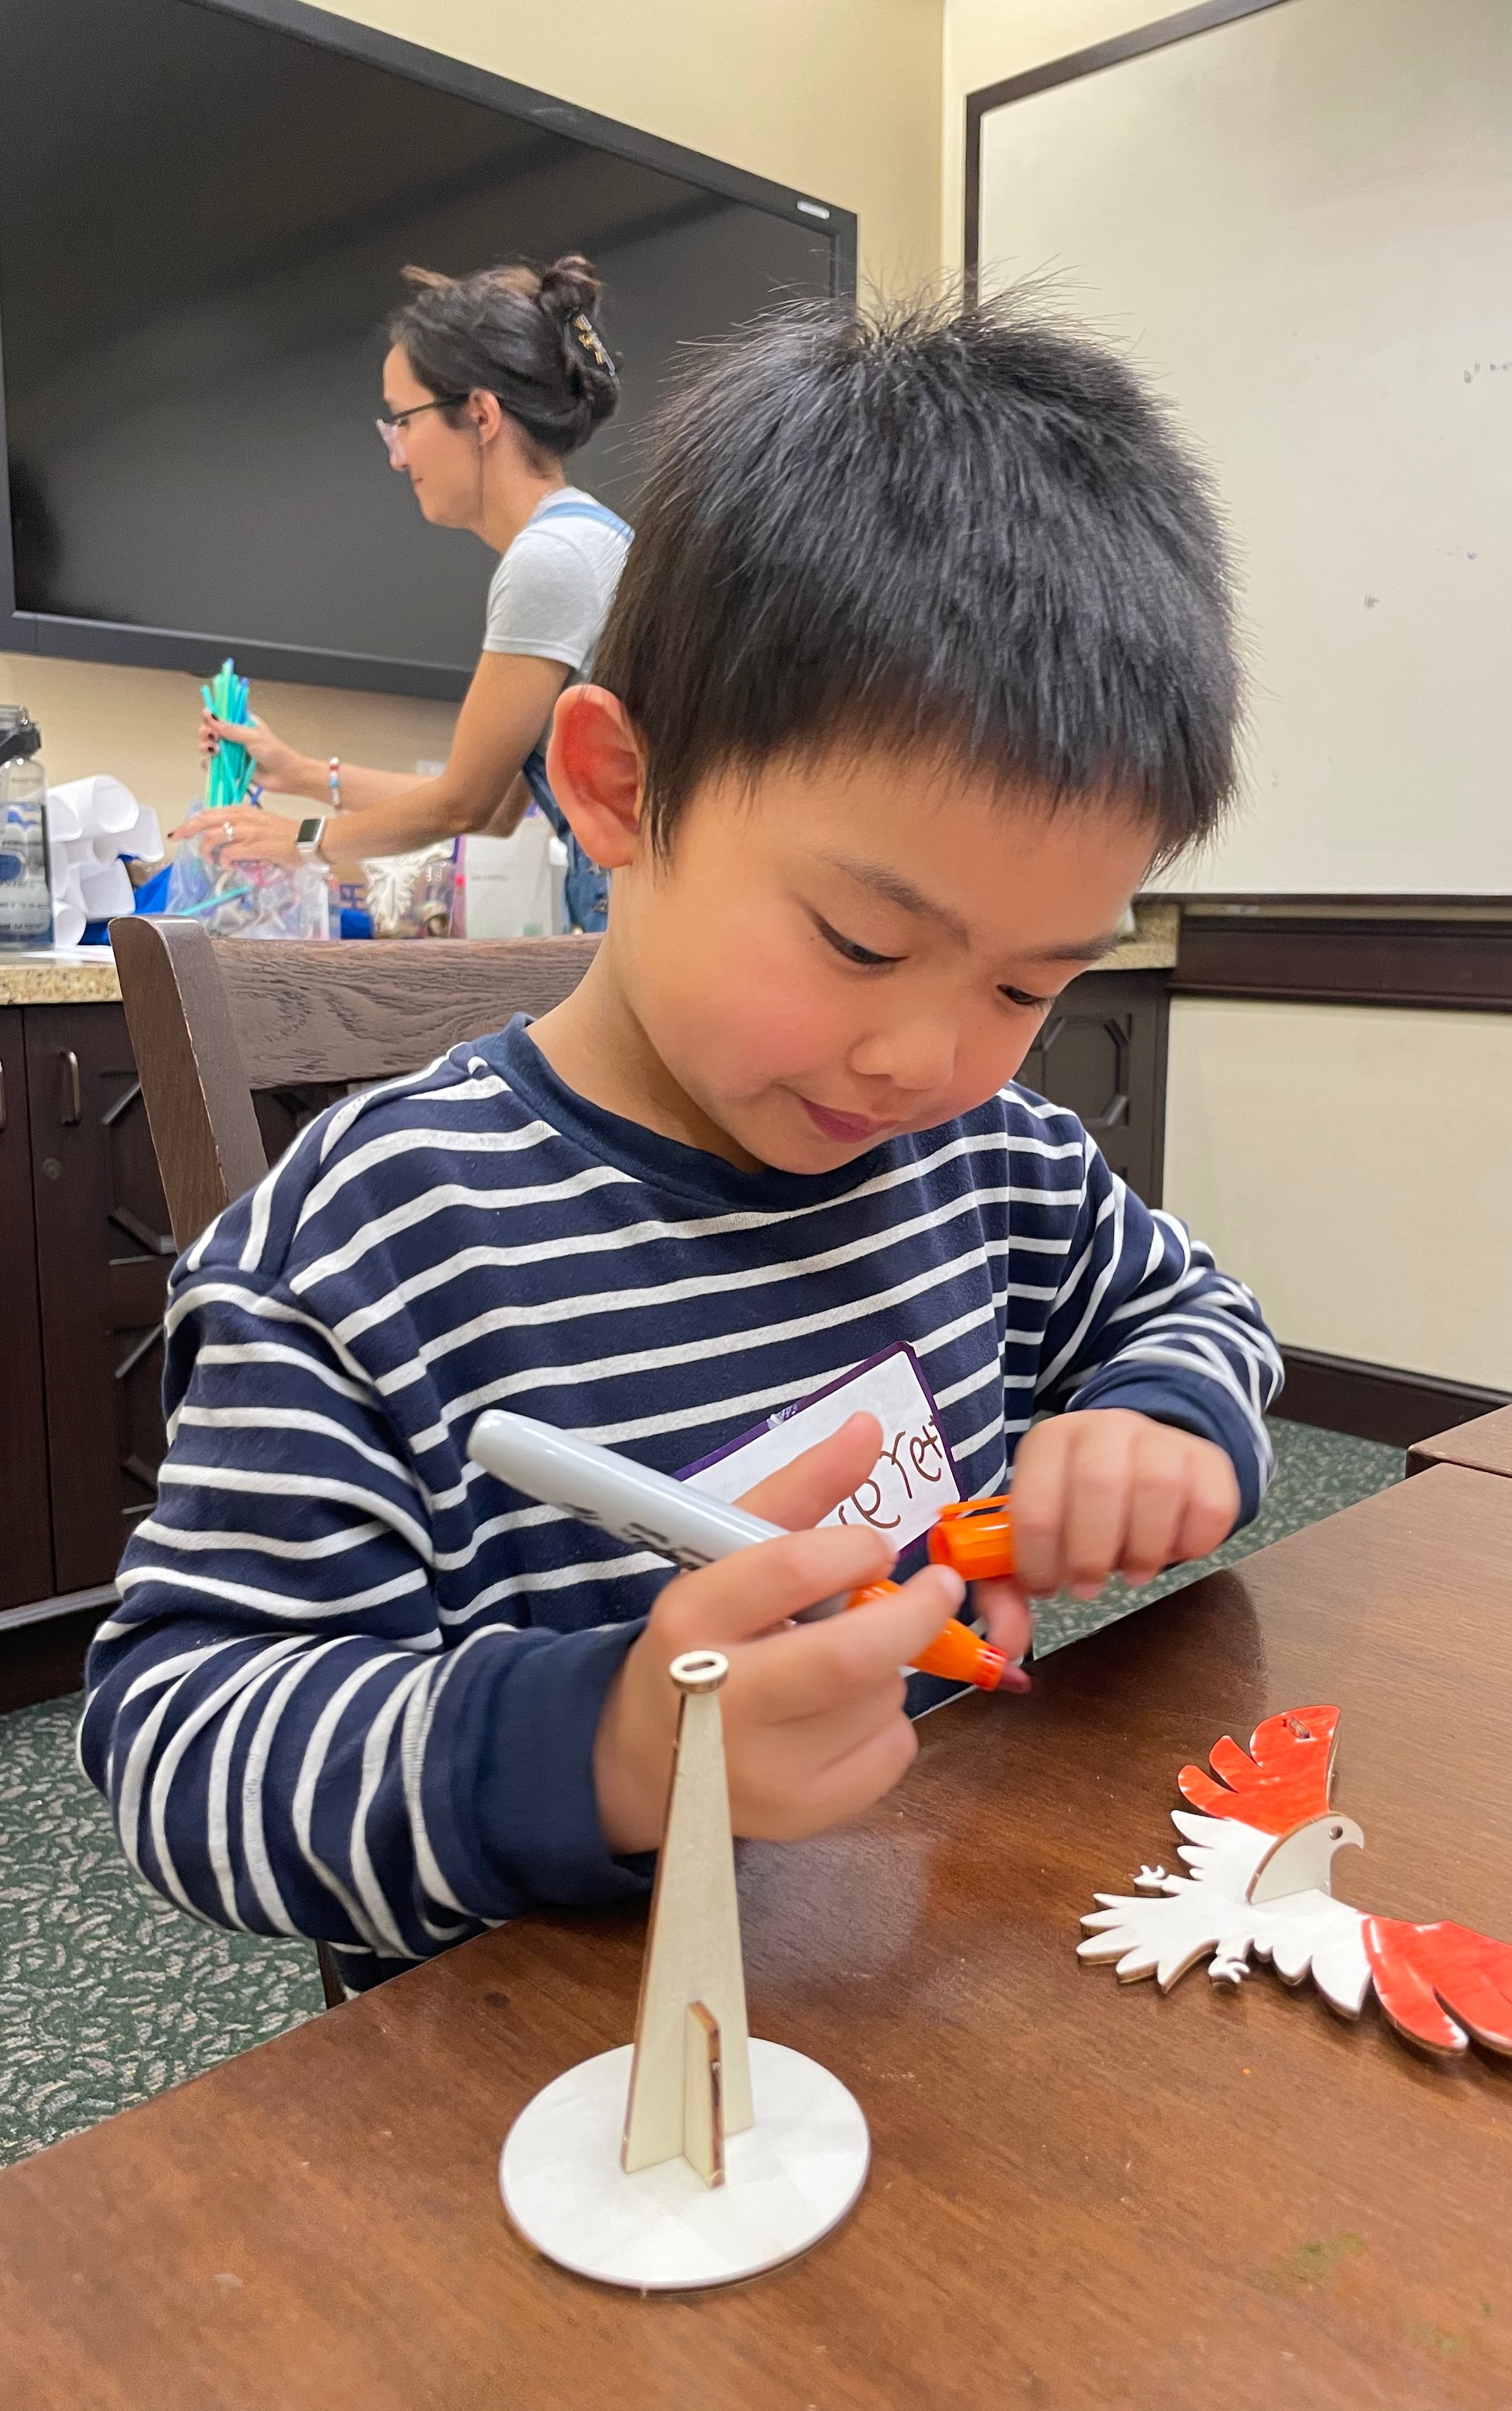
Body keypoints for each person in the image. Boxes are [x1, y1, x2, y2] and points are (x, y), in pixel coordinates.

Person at [83, 293, 1282, 1991]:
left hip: (901, 1975)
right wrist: (610, 1748)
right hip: (548, 2073)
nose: (923, 1055)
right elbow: (183, 1743)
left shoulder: (986, 1158)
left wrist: (1158, 1426)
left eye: (1025, 979)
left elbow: (1197, 1316)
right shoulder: (370, 1244)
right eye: (863, 945)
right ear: (617, 790)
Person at [174, 255, 628, 931]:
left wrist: (301, 842)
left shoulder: (550, 561)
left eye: (404, 421)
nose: (397, 455)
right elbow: (499, 807)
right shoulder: (585, 537)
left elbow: (462, 806)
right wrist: (297, 771)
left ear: (479, 415)